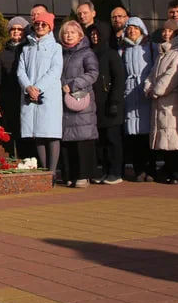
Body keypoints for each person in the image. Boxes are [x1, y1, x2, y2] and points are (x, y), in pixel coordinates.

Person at [16, 11, 63, 184]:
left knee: (51, 133)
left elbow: (55, 71)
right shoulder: (26, 48)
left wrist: (38, 88)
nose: (40, 27)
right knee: (38, 134)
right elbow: (20, 71)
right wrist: (28, 87)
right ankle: (44, 172)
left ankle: (52, 171)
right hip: (30, 95)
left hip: (47, 95)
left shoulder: (55, 47)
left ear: (50, 27)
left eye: (44, 24)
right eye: (37, 24)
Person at [144, 20, 178, 184]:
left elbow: (172, 76)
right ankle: (170, 171)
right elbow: (152, 74)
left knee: (175, 138)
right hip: (160, 102)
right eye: (164, 30)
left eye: (170, 31)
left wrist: (157, 90)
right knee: (165, 138)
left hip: (172, 102)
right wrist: (148, 87)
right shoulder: (162, 53)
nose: (166, 34)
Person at [59, 20, 99, 188]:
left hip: (80, 100)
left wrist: (74, 84)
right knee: (67, 140)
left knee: (82, 139)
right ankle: (70, 174)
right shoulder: (59, 52)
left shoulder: (87, 52)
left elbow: (93, 73)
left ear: (80, 35)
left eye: (72, 33)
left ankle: (83, 175)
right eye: (66, 33)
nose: (69, 36)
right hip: (63, 101)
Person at [86, 26, 124, 185]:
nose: (95, 37)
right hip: (95, 105)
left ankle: (116, 172)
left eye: (97, 33)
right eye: (92, 34)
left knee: (112, 140)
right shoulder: (89, 54)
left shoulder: (111, 54)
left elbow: (119, 78)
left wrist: (114, 101)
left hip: (110, 104)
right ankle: (106, 170)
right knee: (100, 142)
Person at [120, 17, 156, 181]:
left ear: (142, 29)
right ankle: (138, 169)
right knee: (133, 136)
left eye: (135, 28)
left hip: (146, 92)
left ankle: (151, 168)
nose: (132, 31)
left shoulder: (151, 47)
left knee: (148, 134)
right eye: (129, 28)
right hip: (129, 93)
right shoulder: (122, 50)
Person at [0, 16, 29, 157]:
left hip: (26, 97)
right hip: (9, 99)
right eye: (13, 29)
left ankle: (28, 162)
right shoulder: (3, 54)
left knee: (25, 133)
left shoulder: (28, 49)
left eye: (19, 29)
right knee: (10, 132)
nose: (16, 32)